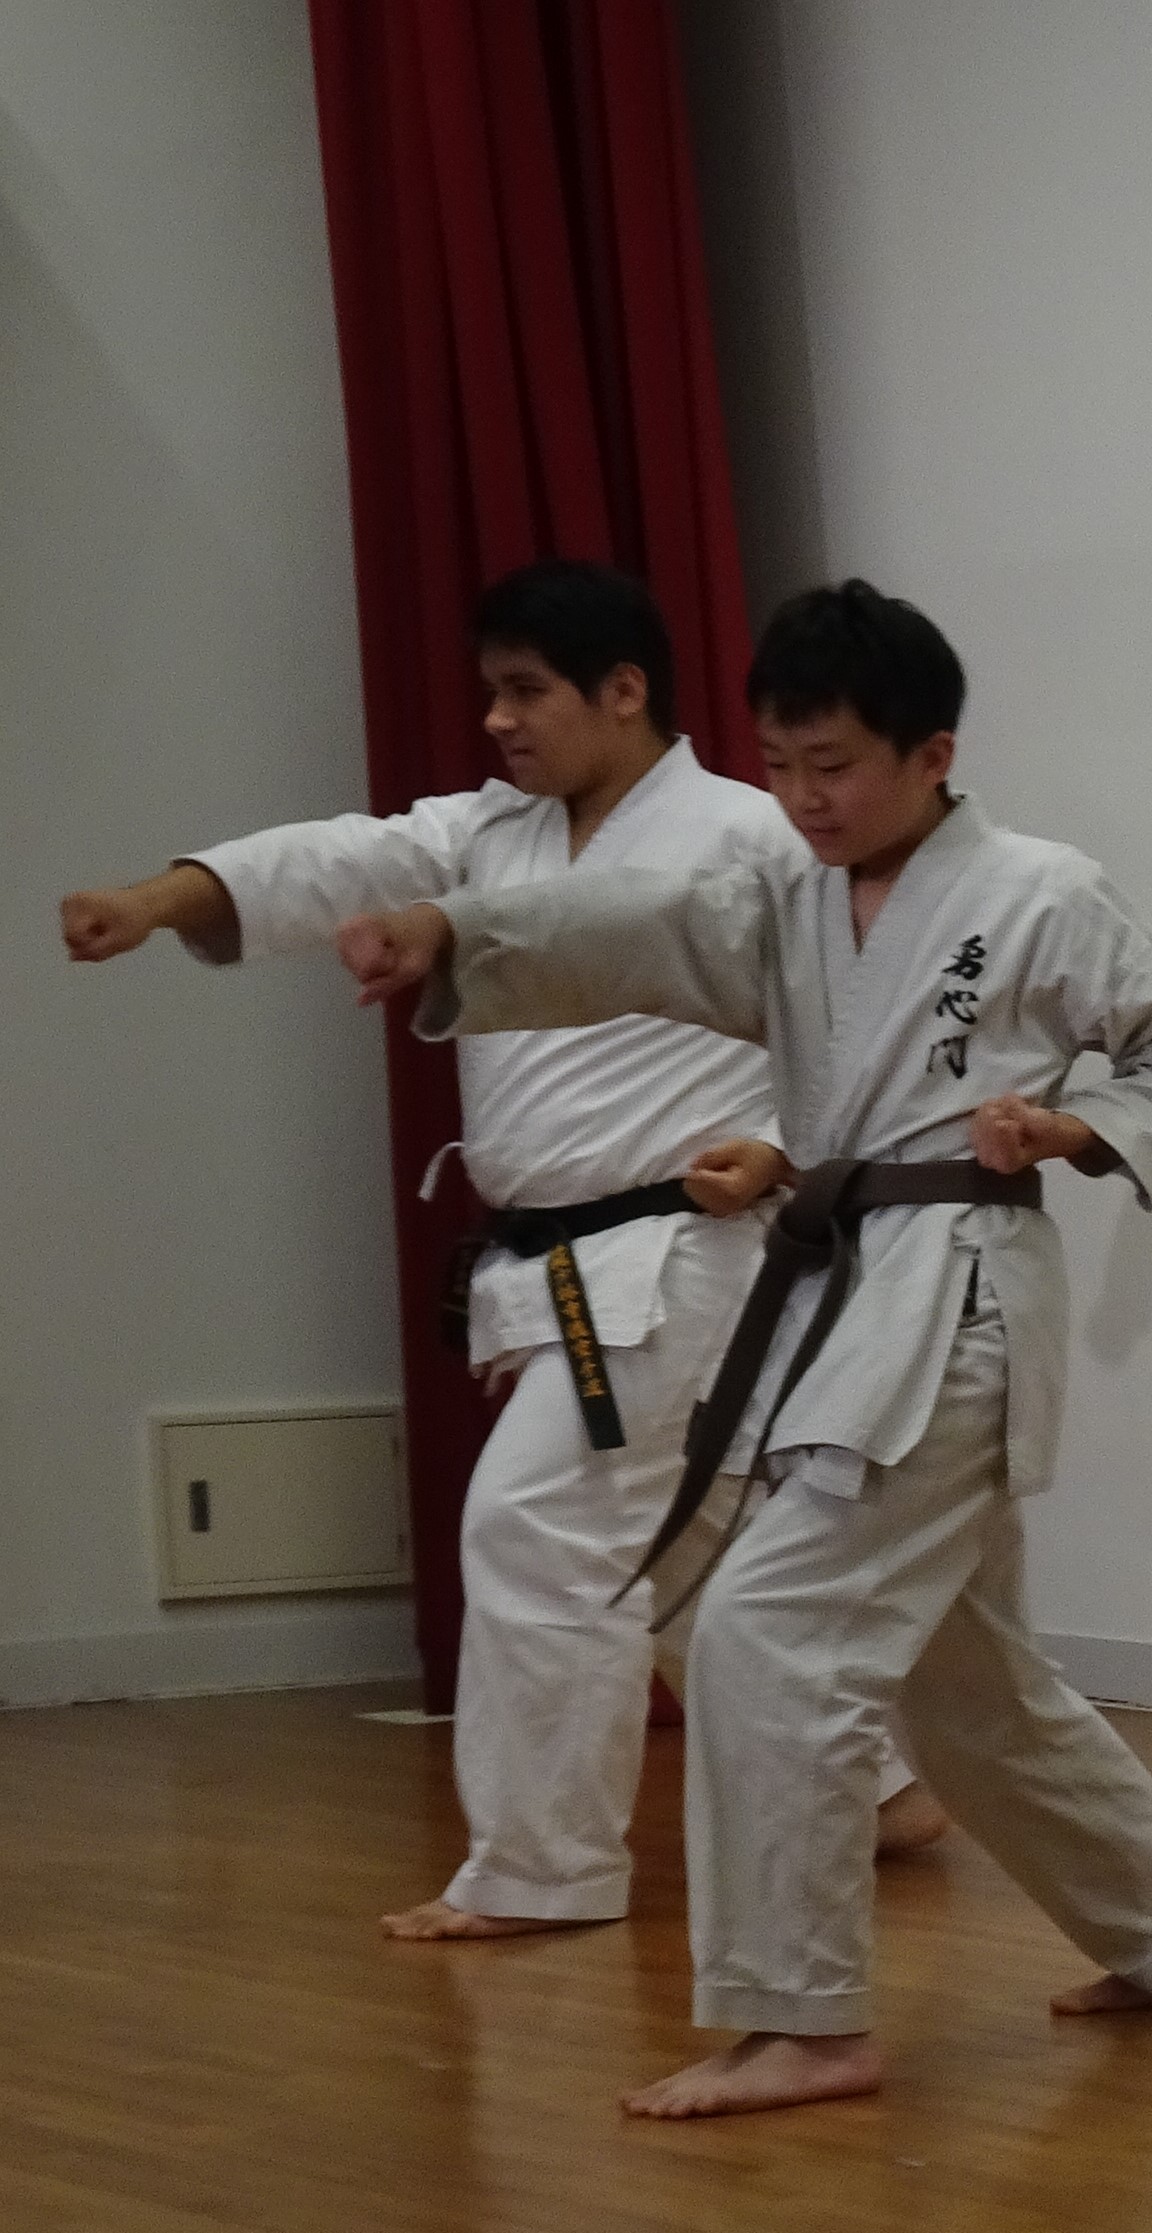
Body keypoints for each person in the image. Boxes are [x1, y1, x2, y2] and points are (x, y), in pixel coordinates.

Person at [337, 579, 1152, 2118]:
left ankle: (807, 2016)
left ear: (932, 753)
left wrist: (1076, 1126)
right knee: (965, 1682)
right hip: (840, 1290)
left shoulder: (1039, 890)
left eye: (833, 764)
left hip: (953, 1299)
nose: (804, 797)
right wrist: (453, 928)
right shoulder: (788, 896)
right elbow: (633, 930)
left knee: (763, 1633)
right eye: (780, 764)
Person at [55, 559, 940, 1943]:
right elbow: (336, 859)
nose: (499, 721)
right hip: (556, 1268)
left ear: (624, 690)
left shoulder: (749, 836)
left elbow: (862, 1026)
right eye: (493, 693)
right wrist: (165, 898)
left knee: (538, 1530)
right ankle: (873, 1784)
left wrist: (779, 1145)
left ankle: (544, 1869)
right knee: (685, 1560)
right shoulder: (487, 836)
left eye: (527, 691)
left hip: (687, 1249)